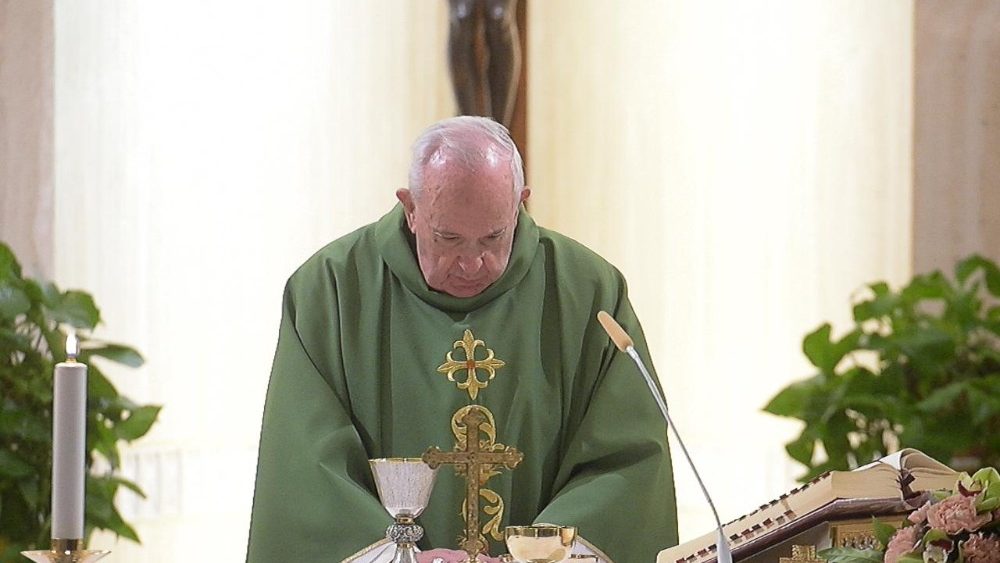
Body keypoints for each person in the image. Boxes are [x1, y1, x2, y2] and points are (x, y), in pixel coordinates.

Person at [246, 116, 678, 563]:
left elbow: (626, 460)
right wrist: (399, 557)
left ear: (520, 205)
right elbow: (305, 470)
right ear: (410, 208)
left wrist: (540, 556)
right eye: (448, 237)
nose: (473, 264)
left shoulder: (589, 293)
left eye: (493, 237)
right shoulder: (330, 292)